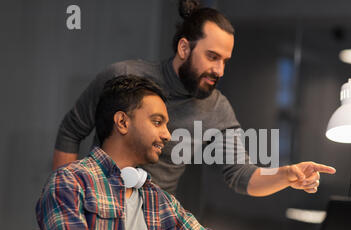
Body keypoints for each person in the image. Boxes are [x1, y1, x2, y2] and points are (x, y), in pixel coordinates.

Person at [52, 0, 336, 199]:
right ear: (184, 47)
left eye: (225, 61)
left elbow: (241, 174)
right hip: (99, 208)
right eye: (212, 57)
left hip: (154, 222)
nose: (219, 70)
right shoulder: (121, 76)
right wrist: (67, 202)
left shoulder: (217, 108)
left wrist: (286, 175)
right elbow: (71, 131)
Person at [29, 75, 260, 230]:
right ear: (122, 122)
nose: (167, 135)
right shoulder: (68, 182)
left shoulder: (157, 199)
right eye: (157, 122)